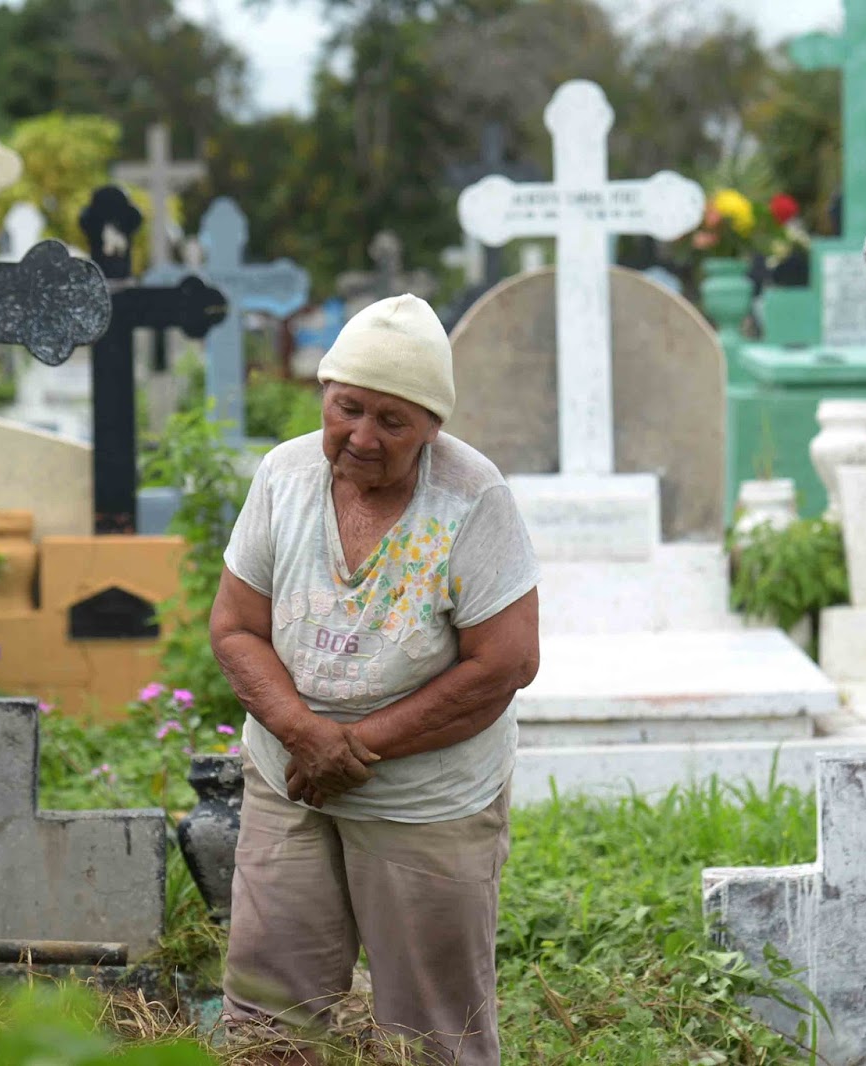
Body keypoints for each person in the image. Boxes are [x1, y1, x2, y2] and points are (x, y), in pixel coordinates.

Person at [210, 293, 541, 1065]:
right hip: (290, 773)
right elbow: (234, 627)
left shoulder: (472, 498)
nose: (361, 436)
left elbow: (506, 663)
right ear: (323, 396)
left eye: (392, 421)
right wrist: (304, 734)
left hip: (427, 799)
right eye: (347, 408)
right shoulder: (284, 476)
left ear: (432, 427)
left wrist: (356, 747)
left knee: (432, 1027)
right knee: (269, 1010)